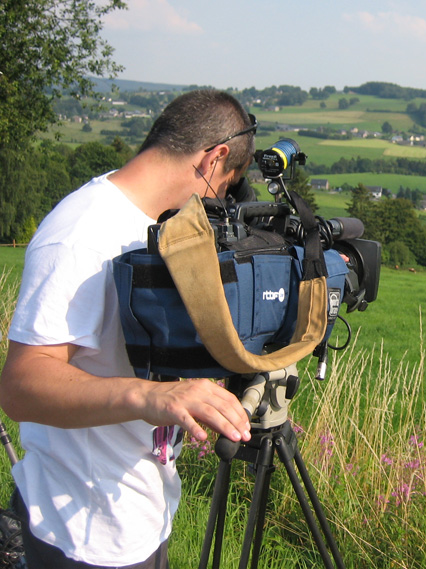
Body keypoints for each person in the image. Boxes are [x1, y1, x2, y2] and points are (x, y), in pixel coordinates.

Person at [0, 89, 256, 568]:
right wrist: (152, 398)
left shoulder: (159, 229)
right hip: (80, 535)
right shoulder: (80, 234)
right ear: (214, 157)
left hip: (141, 517)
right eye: (227, 186)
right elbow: (20, 386)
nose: (220, 206)